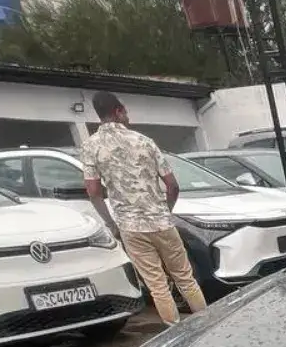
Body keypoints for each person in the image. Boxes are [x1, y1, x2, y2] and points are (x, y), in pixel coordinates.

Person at [81, 90, 207, 325]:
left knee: (158, 285)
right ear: (118, 111)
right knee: (186, 279)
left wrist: (111, 223)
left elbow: (94, 192)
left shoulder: (91, 147)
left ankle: (175, 333)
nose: (128, 116)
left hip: (131, 227)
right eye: (125, 111)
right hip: (161, 221)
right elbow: (172, 185)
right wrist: (165, 212)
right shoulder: (144, 141)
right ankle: (206, 325)